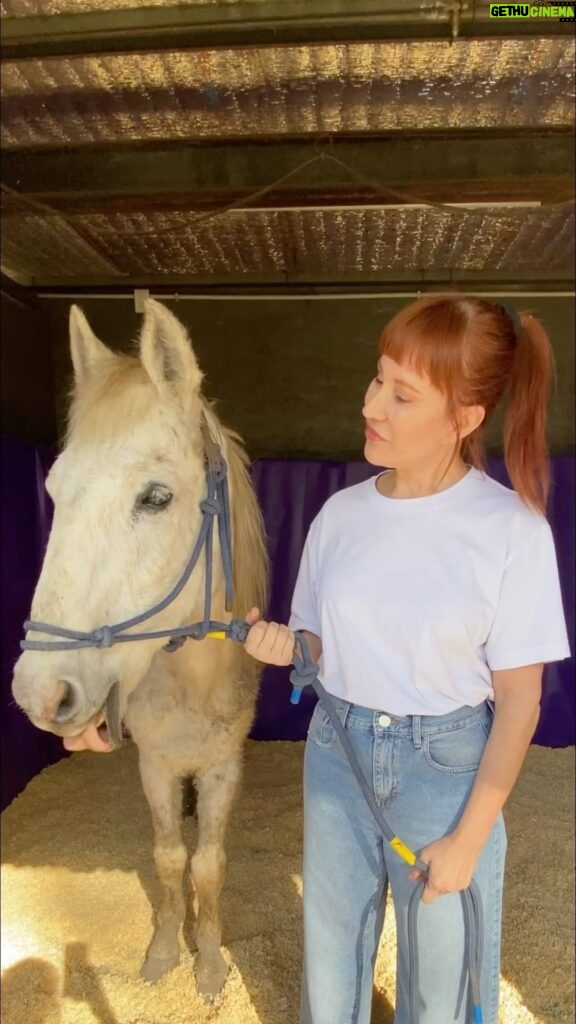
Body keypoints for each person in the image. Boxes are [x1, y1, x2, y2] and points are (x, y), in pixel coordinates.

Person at [243, 294, 570, 1024]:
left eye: (402, 393)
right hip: (337, 756)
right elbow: (315, 647)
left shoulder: (510, 531)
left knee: (440, 992)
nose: (373, 405)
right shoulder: (340, 516)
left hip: (446, 769)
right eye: (376, 379)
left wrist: (468, 836)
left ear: (465, 418)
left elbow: (520, 703)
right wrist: (283, 647)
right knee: (330, 975)